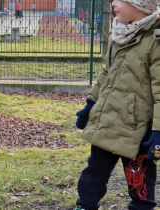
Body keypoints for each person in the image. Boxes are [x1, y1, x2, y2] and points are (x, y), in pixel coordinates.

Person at [75, 0, 160, 209]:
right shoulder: (119, 33)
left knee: (139, 183)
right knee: (93, 174)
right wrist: (90, 103)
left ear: (139, 5)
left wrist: (158, 130)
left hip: (138, 131)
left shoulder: (155, 41)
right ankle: (84, 206)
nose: (112, 3)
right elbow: (107, 71)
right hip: (108, 120)